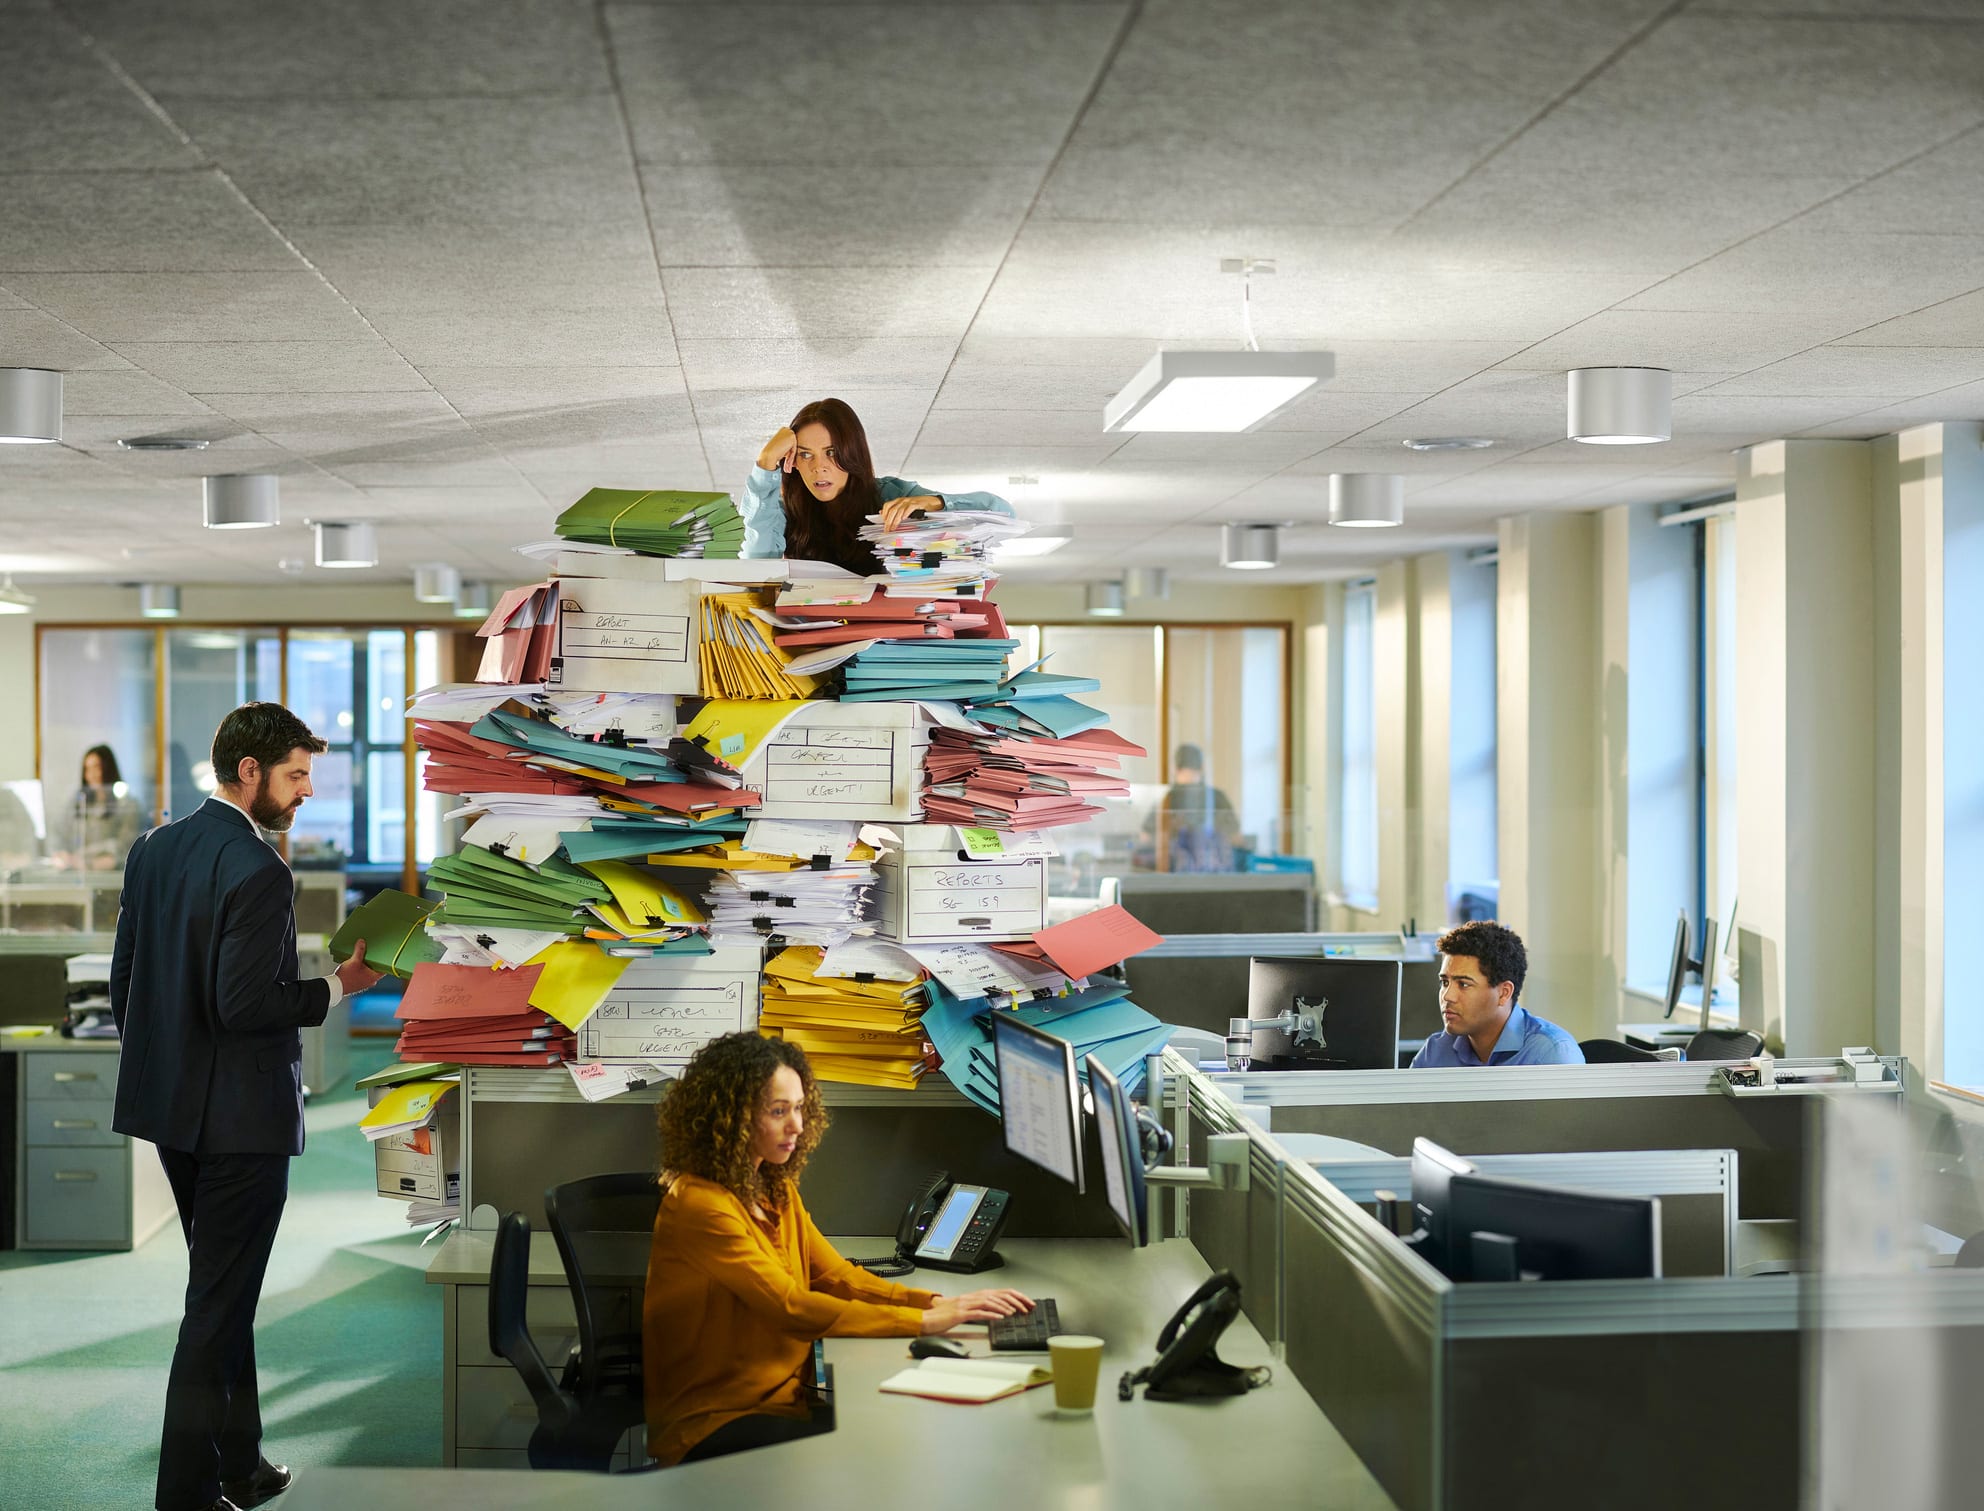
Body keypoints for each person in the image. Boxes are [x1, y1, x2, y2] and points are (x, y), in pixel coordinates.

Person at [111, 703, 383, 1511]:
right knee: (217, 1307)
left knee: (223, 1293)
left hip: (173, 1112)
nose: (307, 792)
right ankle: (185, 1495)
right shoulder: (261, 868)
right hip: (241, 1123)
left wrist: (170, 1069)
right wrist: (339, 986)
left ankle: (243, 1462)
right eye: (297, 775)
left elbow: (128, 982)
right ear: (251, 771)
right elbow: (244, 1002)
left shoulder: (154, 847)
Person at [644, 1032, 1030, 1466]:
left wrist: (938, 1302)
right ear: (730, 1117)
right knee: (887, 1453)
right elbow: (789, 1307)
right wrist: (922, 1322)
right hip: (715, 1421)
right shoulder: (701, 1205)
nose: (797, 1126)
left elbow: (835, 1276)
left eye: (798, 1108)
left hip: (786, 1398)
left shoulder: (773, 1186)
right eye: (778, 1111)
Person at [742, 396, 1014, 575]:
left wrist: (933, 502)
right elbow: (756, 565)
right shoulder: (782, 509)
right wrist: (765, 463)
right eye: (805, 454)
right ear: (793, 462)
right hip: (809, 638)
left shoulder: (891, 494)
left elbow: (1003, 514)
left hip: (887, 641)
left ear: (852, 453)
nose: (819, 467)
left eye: (832, 452)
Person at [1409, 920, 1584, 1067]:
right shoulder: (1435, 1052)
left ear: (1504, 993)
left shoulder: (1551, 1054)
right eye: (1445, 982)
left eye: (1463, 984)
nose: (1447, 996)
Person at [1140, 744, 1241, 872]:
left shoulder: (1166, 800)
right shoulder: (1217, 798)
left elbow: (1145, 838)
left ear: (1174, 768)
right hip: (1214, 877)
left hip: (1174, 879)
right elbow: (1236, 839)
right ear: (1202, 767)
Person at [54, 743, 145, 870]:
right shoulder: (78, 803)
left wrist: (87, 860)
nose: (92, 775)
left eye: (97, 767)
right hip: (80, 876)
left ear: (108, 769)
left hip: (114, 877)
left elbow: (125, 846)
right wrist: (65, 856)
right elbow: (62, 837)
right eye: (87, 769)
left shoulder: (127, 803)